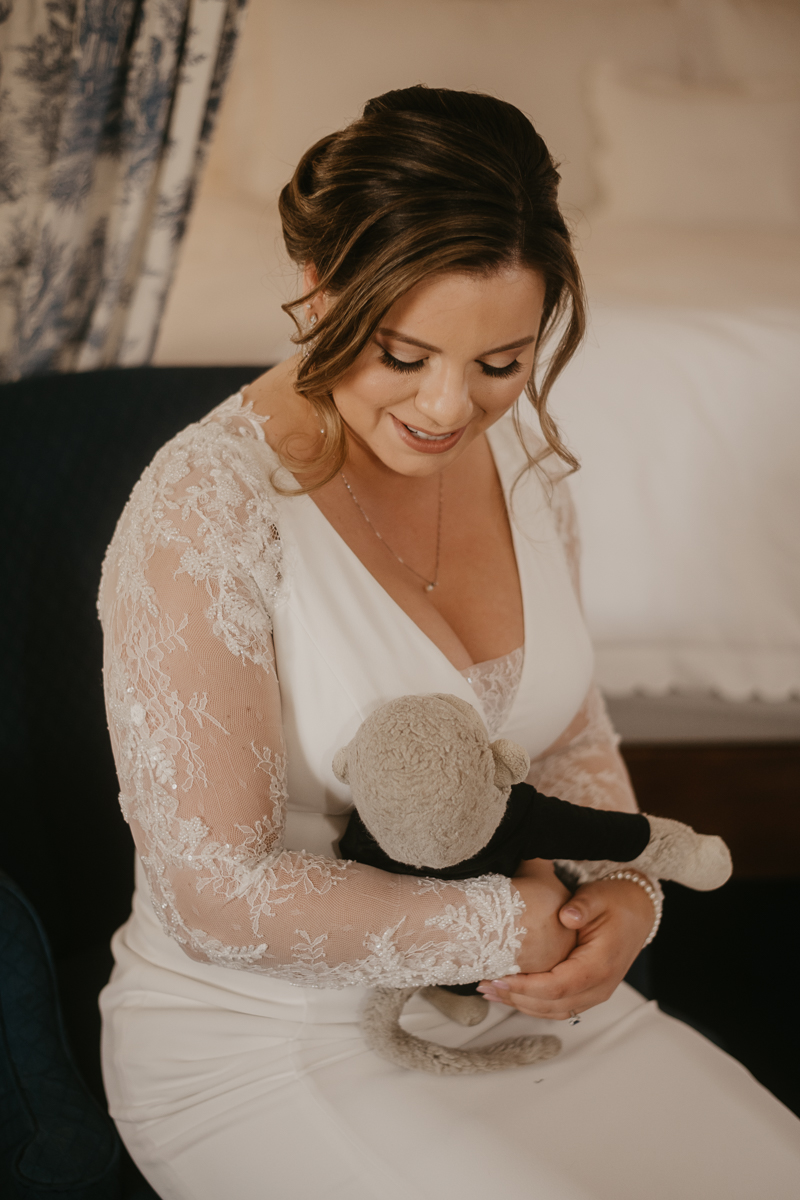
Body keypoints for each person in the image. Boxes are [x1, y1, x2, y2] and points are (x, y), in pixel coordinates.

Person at [98, 87, 800, 1199]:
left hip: (520, 1006)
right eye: (402, 353)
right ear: (321, 290)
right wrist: (500, 924)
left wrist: (620, 898)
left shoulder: (522, 461)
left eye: (498, 362)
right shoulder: (205, 507)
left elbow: (565, 732)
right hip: (271, 1044)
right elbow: (214, 893)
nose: (446, 408)